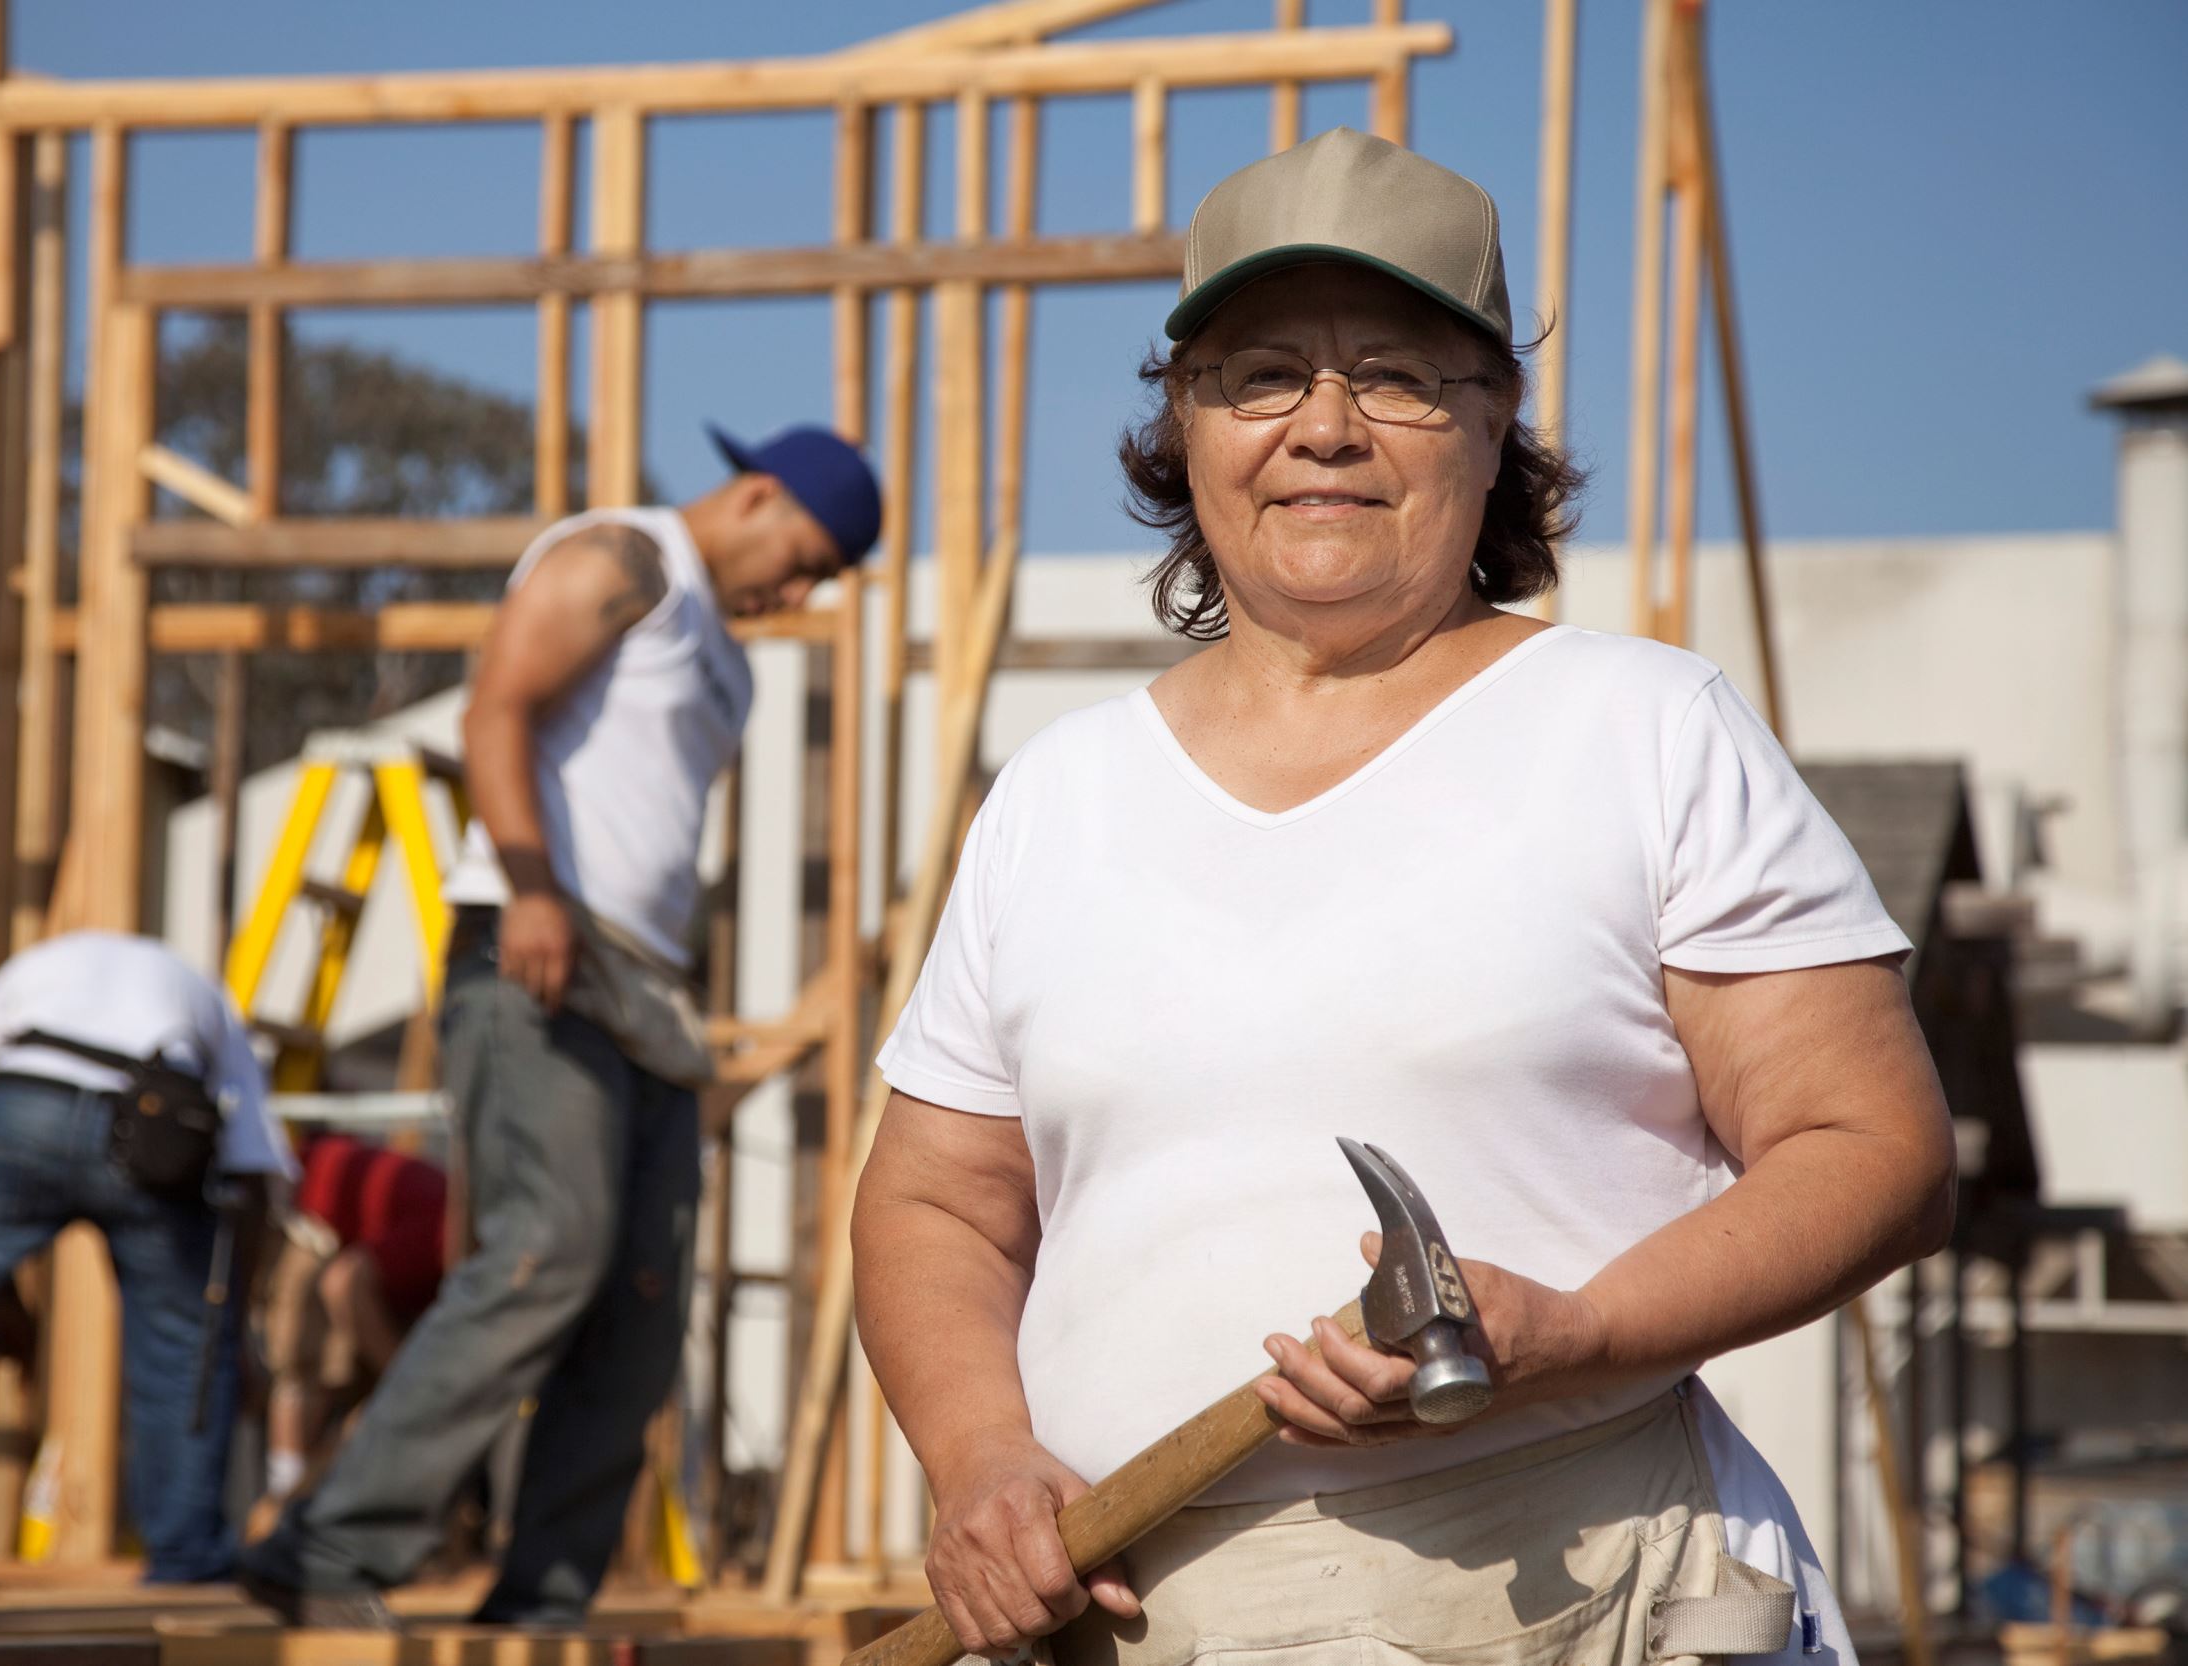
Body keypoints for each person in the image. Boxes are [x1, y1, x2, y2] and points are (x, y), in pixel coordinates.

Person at [857, 129, 1954, 1666]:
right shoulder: (1058, 793)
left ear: (1494, 418)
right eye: (1259, 375)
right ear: (1184, 421)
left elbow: (1876, 1150)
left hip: (1562, 1589)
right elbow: (934, 1202)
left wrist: (1572, 1333)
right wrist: (976, 1453)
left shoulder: (1639, 729)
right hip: (1138, 1617)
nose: (1321, 428)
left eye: (1393, 374)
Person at [241, 424, 882, 1627]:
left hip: (643, 991)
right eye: (801, 557)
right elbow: (496, 710)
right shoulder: (619, 558)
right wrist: (533, 888)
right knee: (547, 1249)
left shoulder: (722, 655)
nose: (795, 592)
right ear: (756, 494)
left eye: (820, 582)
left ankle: (538, 1600)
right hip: (538, 946)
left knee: (638, 1307)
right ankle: (327, 1547)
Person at [0, 930, 292, 1587]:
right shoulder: (207, 997)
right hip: (159, 1123)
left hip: (27, 1099)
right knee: (181, 1347)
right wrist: (226, 1328)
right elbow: (252, 1170)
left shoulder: (28, 970)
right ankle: (188, 1558)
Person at [256, 1131, 452, 1527]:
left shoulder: (437, 1223)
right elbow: (343, 1283)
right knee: (306, 1358)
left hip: (351, 1231)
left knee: (309, 1360)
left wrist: (397, 1383)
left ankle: (289, 1502)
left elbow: (348, 1282)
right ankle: (285, 1502)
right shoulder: (440, 1229)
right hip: (320, 1220)